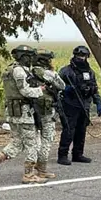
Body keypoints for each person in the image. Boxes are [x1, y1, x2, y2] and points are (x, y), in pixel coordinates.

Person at [0, 44, 48, 184]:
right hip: (24, 113)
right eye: (30, 57)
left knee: (17, 143)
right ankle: (29, 175)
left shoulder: (10, 69)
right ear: (23, 57)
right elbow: (25, 91)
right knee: (32, 145)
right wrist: (40, 90)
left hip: (14, 112)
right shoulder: (19, 71)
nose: (31, 60)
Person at [57, 45, 101, 166]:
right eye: (79, 56)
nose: (81, 58)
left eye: (84, 56)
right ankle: (62, 155)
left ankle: (77, 154)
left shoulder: (90, 72)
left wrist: (98, 101)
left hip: (85, 105)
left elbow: (94, 88)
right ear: (74, 56)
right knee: (69, 130)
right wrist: (65, 89)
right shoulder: (66, 71)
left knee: (81, 130)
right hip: (70, 105)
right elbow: (56, 86)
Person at [31, 48, 67, 179]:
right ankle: (42, 168)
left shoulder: (27, 71)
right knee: (47, 138)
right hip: (47, 110)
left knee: (35, 139)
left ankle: (33, 166)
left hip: (31, 109)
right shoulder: (49, 74)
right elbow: (62, 86)